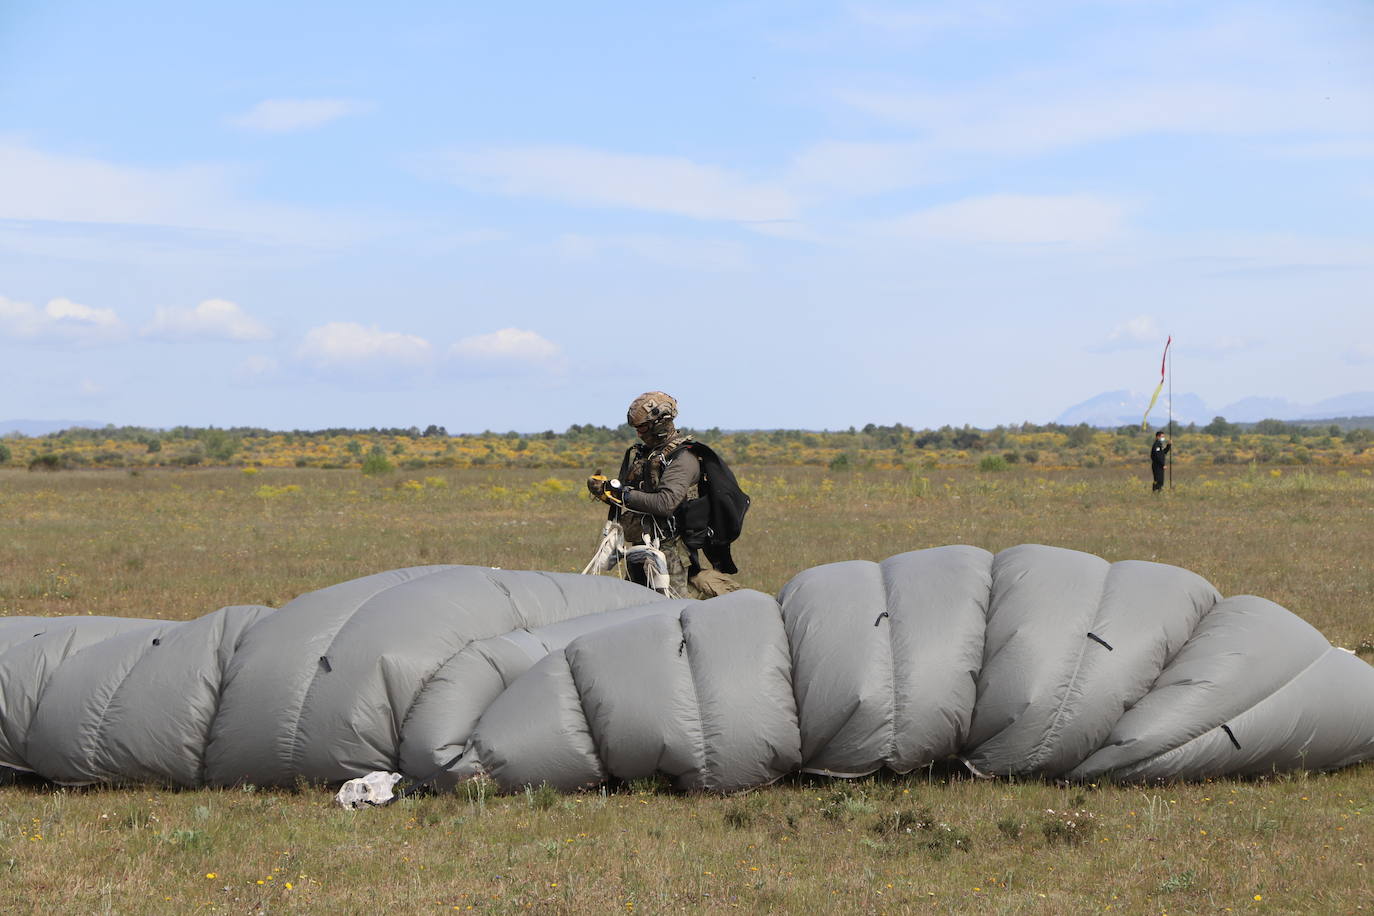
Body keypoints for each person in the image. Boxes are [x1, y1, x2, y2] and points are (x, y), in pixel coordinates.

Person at [586, 391, 706, 598]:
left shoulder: (683, 458)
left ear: (660, 422)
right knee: (631, 610)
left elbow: (665, 503)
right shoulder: (647, 456)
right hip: (641, 549)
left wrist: (622, 493)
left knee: (674, 611)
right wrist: (605, 491)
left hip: (670, 554)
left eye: (642, 427)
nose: (638, 434)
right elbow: (631, 497)